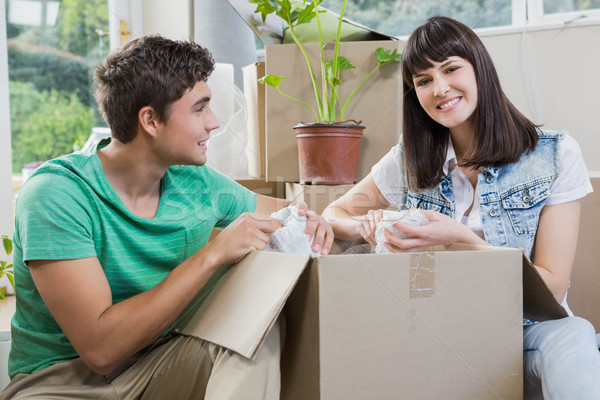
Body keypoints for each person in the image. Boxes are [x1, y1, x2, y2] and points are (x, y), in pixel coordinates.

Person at [1, 34, 333, 400]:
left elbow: (283, 214)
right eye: (200, 108)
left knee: (256, 326)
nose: (214, 123)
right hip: (60, 384)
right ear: (150, 120)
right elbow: (101, 351)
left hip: (158, 366)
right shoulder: (56, 194)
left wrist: (315, 219)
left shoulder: (196, 182)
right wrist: (213, 254)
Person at [322, 16, 600, 400]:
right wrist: (367, 224)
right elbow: (333, 215)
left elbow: (551, 287)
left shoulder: (553, 154)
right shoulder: (409, 159)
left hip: (527, 331)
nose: (439, 88)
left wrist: (461, 239)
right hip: (436, 330)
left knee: (575, 333)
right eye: (423, 81)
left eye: (451, 69)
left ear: (480, 70)